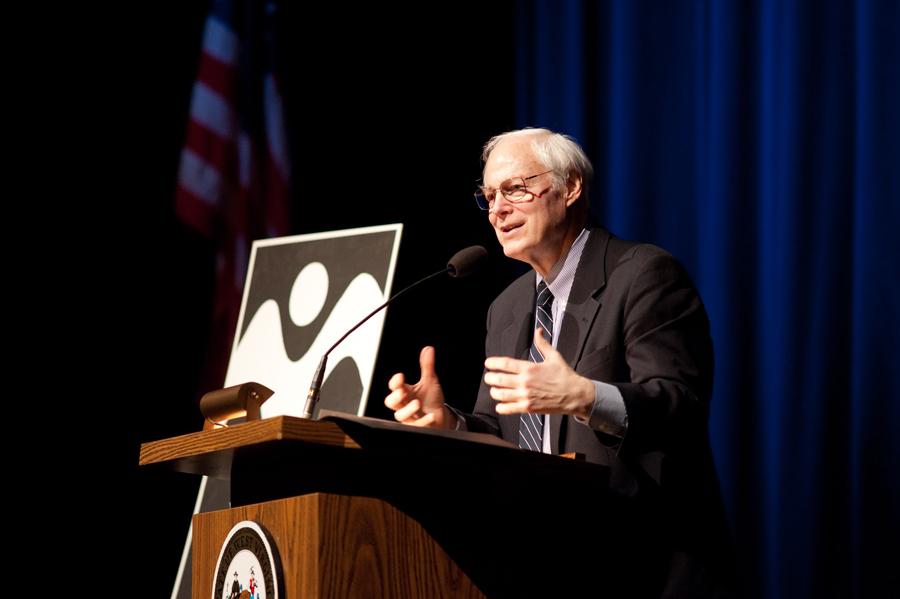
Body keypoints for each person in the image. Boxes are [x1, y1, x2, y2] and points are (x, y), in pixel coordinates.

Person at [385, 127, 734, 597]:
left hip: (642, 566)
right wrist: (448, 423)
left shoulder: (644, 275)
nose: (497, 210)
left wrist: (587, 397)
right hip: (542, 563)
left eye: (515, 189)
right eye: (488, 196)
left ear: (570, 187)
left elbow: (681, 406)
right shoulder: (507, 308)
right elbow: (496, 431)